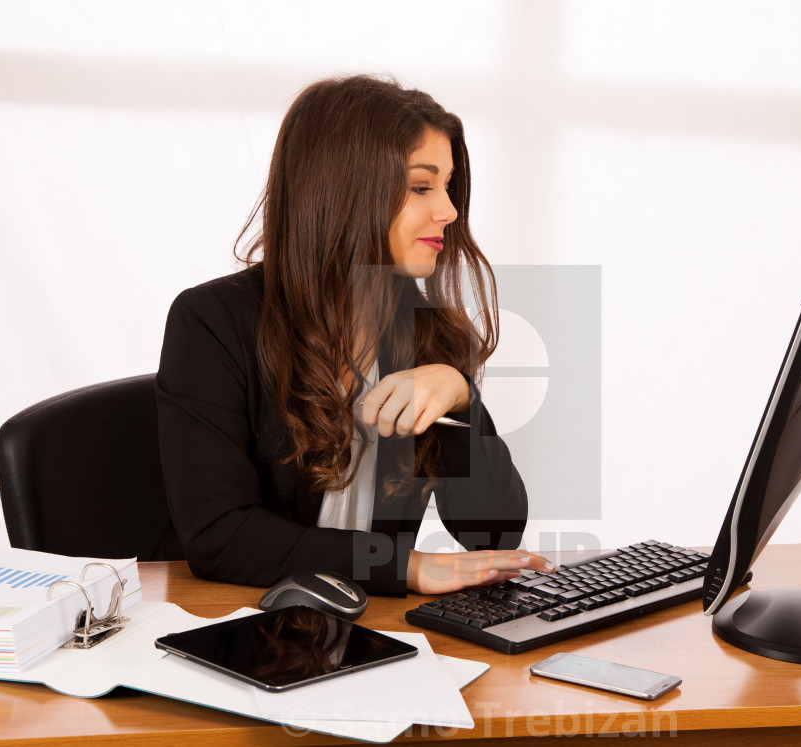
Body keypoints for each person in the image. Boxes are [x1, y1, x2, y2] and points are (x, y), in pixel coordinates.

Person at [155, 75, 551, 596]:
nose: (450, 211)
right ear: (346, 191)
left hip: (368, 630)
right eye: (421, 186)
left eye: (448, 186)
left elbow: (493, 534)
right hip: (246, 627)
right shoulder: (212, 322)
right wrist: (404, 567)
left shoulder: (430, 333)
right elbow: (221, 537)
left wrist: (461, 397)